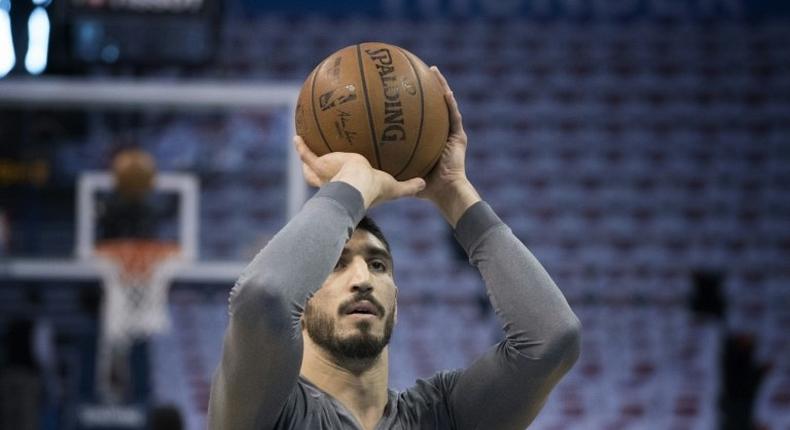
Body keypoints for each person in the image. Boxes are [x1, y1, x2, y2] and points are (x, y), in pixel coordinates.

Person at [208, 67, 581, 429]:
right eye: (336, 265)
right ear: (300, 307)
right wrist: (354, 181)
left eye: (378, 265)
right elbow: (262, 298)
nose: (362, 278)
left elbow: (552, 339)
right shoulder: (267, 412)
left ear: (397, 305)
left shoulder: (442, 416)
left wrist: (453, 191)